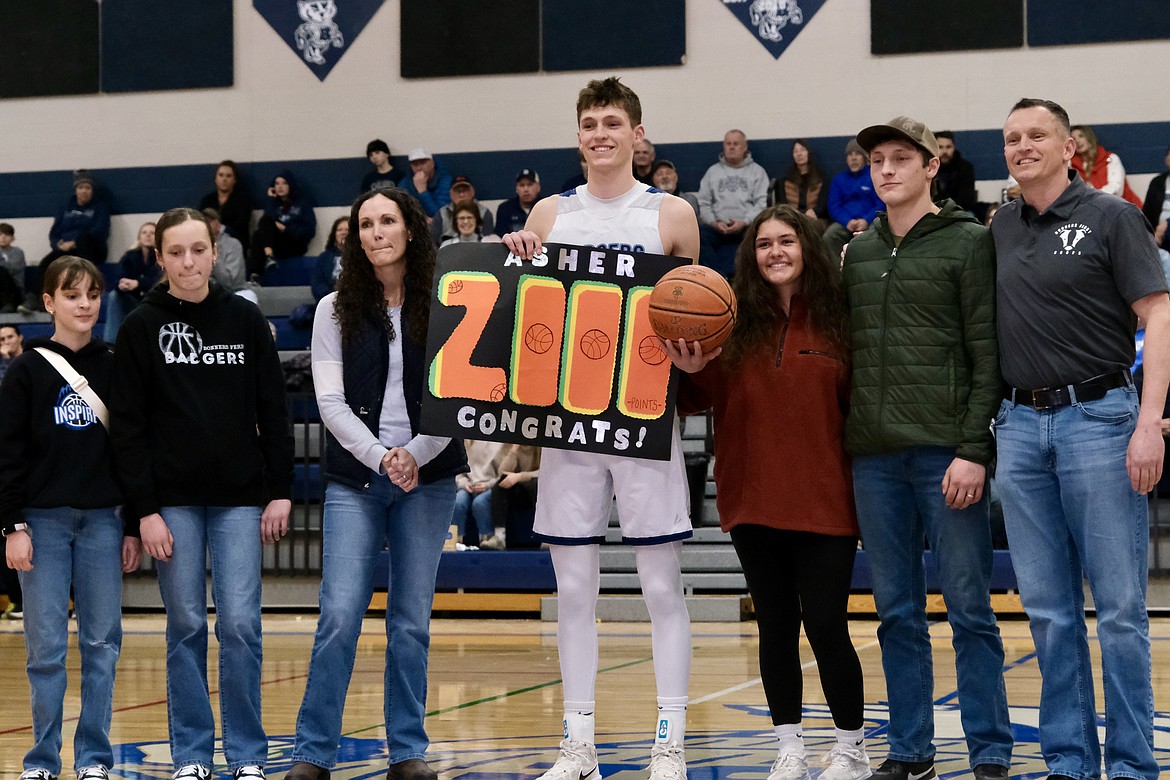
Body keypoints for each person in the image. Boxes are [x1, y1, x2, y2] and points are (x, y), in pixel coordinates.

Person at [502, 76, 699, 780]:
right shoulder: (550, 213)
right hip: (570, 421)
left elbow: (694, 324)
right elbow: (523, 317)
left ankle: (668, 741)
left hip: (644, 419)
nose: (600, 133)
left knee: (658, 588)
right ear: (578, 135)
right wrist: (515, 258)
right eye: (589, 122)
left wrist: (694, 351)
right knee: (575, 590)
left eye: (613, 122)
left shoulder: (673, 215)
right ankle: (578, 744)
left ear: (637, 135)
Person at [992, 98, 1170, 780]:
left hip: (1099, 420)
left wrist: (1149, 420)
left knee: (1120, 610)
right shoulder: (1000, 226)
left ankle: (1130, 764)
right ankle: (1068, 760)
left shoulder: (1112, 216)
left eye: (1037, 135)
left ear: (1071, 148)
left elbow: (1158, 314)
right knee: (1048, 613)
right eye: (1012, 138)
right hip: (1018, 428)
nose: (1023, 145)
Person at [665, 205, 870, 780]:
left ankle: (851, 747)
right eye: (763, 244)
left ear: (807, 248)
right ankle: (790, 748)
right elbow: (691, 399)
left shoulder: (840, 324)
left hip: (827, 500)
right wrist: (688, 365)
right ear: (750, 256)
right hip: (751, 499)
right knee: (775, 624)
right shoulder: (729, 325)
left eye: (786, 241)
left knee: (827, 623)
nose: (775, 252)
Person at [843, 117, 1011, 780]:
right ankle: (911, 751)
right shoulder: (856, 252)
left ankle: (990, 751)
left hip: (947, 456)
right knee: (896, 615)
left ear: (930, 165)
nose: (886, 170)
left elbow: (986, 353)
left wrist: (973, 449)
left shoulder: (969, 243)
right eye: (876, 159)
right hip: (874, 460)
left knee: (970, 608)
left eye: (900, 158)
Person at [284, 187, 467, 780]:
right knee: (339, 614)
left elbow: (457, 394)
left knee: (410, 621)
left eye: (387, 220)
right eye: (365, 223)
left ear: (410, 229)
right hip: (356, 481)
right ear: (354, 237)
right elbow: (329, 402)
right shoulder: (332, 309)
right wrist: (382, 457)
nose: (376, 231)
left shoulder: (448, 303)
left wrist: (414, 454)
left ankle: (408, 753)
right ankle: (314, 753)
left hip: (430, 477)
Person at [110, 207, 294, 780]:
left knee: (240, 624)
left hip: (240, 498)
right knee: (185, 622)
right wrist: (144, 511)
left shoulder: (243, 321)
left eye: (197, 250)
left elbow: (274, 409)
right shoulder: (140, 326)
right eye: (175, 253)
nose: (188, 263)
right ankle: (191, 754)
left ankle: (245, 754)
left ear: (215, 252)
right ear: (160, 259)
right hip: (172, 506)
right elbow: (130, 430)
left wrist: (281, 490)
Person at [1, 255, 141, 780]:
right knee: (46, 650)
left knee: (102, 645)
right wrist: (12, 525)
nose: (85, 304)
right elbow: (7, 454)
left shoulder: (116, 363)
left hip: (104, 522)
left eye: (93, 294)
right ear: (49, 302)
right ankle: (41, 760)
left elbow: (130, 449)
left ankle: (94, 759)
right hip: (42, 524)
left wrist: (130, 525)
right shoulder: (27, 369)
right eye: (73, 294)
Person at [24, 171, 110, 312]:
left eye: (87, 188)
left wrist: (74, 242)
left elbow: (100, 231)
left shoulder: (100, 207)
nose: (84, 191)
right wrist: (58, 244)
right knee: (48, 262)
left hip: (91, 248)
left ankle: (89, 281)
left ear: (92, 191)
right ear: (76, 190)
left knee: (84, 240)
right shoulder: (66, 207)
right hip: (67, 250)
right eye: (81, 188)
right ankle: (35, 298)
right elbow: (54, 232)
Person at [697, 129, 769, 277]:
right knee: (697, 235)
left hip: (746, 227)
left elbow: (761, 204)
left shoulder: (757, 172)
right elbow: (703, 202)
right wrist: (713, 222)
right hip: (717, 227)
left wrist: (745, 222)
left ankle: (744, 279)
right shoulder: (713, 172)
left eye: (736, 144)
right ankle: (717, 278)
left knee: (763, 235)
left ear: (744, 147)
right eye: (728, 143)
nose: (731, 147)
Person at [250, 170, 317, 277]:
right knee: (258, 234)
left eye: (284, 183)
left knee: (261, 231)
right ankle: (256, 274)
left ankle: (266, 261)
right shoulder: (273, 204)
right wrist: (271, 200)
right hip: (277, 244)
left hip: (295, 243)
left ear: (290, 185)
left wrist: (286, 228)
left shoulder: (302, 204)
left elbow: (310, 231)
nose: (280, 186)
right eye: (277, 183)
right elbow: (268, 222)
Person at [822, 141, 881, 263]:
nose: (853, 158)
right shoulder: (839, 179)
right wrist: (847, 221)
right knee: (830, 235)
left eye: (857, 154)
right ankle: (838, 275)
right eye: (850, 155)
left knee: (878, 233)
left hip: (870, 222)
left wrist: (866, 220)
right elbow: (833, 206)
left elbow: (881, 203)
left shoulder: (873, 176)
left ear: (865, 158)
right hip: (845, 224)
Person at [102, 222, 159, 343]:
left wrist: (137, 283)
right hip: (133, 301)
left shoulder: (162, 257)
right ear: (139, 237)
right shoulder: (130, 256)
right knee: (114, 295)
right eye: (144, 232)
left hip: (152, 302)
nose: (148, 235)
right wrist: (122, 285)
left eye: (152, 233)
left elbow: (158, 281)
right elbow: (117, 278)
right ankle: (110, 343)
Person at [1069, 124, 1143, 207]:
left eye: (1081, 136)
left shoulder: (1111, 159)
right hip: (1095, 210)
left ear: (1089, 137)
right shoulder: (1071, 165)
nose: (1078, 141)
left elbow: (1116, 188)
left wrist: (1092, 199)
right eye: (1074, 139)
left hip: (1124, 208)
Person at [454, 439, 509, 549]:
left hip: (491, 486)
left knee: (480, 503)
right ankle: (455, 541)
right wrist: (464, 483)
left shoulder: (502, 443)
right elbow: (458, 471)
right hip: (469, 485)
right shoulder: (466, 441)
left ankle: (487, 539)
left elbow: (504, 473)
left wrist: (488, 485)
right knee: (458, 501)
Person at [198, 160, 254, 252]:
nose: (224, 179)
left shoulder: (243, 200)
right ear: (216, 179)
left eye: (228, 176)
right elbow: (200, 221)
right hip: (210, 242)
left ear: (234, 180)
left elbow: (242, 224)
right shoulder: (207, 200)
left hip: (235, 241)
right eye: (221, 175)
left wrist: (221, 227)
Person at [771, 139, 828, 223]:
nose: (799, 154)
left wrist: (814, 211)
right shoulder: (786, 180)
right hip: (792, 218)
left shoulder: (821, 178)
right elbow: (782, 205)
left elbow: (823, 205)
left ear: (808, 153)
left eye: (802, 150)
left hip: (815, 218)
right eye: (795, 151)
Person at [430, 176, 494, 245]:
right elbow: (433, 243)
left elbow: (489, 241)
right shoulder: (441, 214)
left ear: (472, 192)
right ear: (451, 194)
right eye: (458, 191)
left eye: (465, 190)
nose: (461, 194)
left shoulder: (484, 212)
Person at [204, 208, 249, 296]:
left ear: (218, 223)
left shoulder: (233, 244)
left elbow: (231, 282)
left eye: (208, 221)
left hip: (236, 293)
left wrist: (214, 256)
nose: (205, 225)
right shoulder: (197, 248)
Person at [932, 131, 979, 216]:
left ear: (954, 147)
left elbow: (967, 200)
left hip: (960, 211)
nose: (945, 151)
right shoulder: (929, 169)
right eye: (940, 147)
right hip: (933, 212)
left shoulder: (965, 167)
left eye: (948, 147)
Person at [400, 149, 453, 219]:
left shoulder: (446, 182)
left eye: (422, 163)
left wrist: (422, 191)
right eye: (415, 164)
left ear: (432, 164)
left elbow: (440, 216)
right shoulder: (404, 184)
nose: (419, 168)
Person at [494, 169, 543, 237]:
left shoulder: (546, 207)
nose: (526, 189)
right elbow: (501, 237)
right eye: (522, 185)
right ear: (516, 189)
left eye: (530, 185)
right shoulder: (505, 209)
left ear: (538, 187)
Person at [310, 216, 348, 303]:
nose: (343, 233)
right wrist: (333, 298)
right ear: (334, 234)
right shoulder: (324, 257)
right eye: (339, 230)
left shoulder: (362, 256)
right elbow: (317, 284)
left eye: (347, 230)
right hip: (329, 302)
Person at [1141, 143, 1170, 252]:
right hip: (1158, 237)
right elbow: (1147, 213)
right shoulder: (1157, 182)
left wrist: (1167, 224)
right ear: (1166, 159)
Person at [0, 223, 26, 313]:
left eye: (6, 235)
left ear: (12, 238)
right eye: (0, 235)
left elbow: (11, 269)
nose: (3, 237)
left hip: (15, 290)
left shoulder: (17, 252)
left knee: (1, 271)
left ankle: (8, 303)